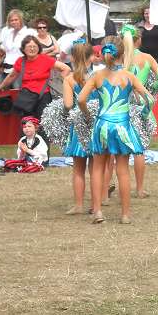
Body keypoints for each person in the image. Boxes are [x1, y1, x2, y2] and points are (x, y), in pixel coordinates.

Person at [78, 37, 152, 224]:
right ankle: (125, 215)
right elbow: (149, 99)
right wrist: (144, 113)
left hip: (102, 124)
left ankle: (98, 212)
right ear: (123, 54)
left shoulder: (97, 76)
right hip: (122, 126)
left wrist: (87, 114)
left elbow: (81, 100)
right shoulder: (129, 76)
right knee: (123, 170)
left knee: (97, 168)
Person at [122, 25, 158, 199]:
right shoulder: (147, 58)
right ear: (139, 40)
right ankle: (139, 189)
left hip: (120, 105)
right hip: (140, 105)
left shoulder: (120, 58)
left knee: (116, 151)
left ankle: (107, 191)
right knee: (139, 149)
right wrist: (151, 89)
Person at [0, 35, 71, 121]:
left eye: (34, 47)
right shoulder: (20, 61)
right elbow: (12, 76)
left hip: (43, 96)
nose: (32, 49)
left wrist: (60, 83)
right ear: (23, 49)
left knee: (43, 124)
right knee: (27, 124)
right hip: (27, 98)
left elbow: (66, 68)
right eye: (29, 47)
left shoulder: (45, 59)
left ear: (38, 48)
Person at [63, 40, 95, 215]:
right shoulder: (98, 76)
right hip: (97, 124)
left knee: (78, 168)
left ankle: (78, 205)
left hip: (79, 125)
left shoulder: (70, 79)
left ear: (72, 58)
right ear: (91, 57)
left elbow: (68, 104)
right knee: (97, 167)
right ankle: (97, 203)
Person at [0, 9, 36, 81]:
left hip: (21, 70)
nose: (14, 22)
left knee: (18, 91)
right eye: (11, 20)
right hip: (6, 69)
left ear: (21, 20)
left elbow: (35, 51)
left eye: (16, 20)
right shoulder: (8, 33)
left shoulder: (29, 33)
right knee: (2, 91)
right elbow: (6, 51)